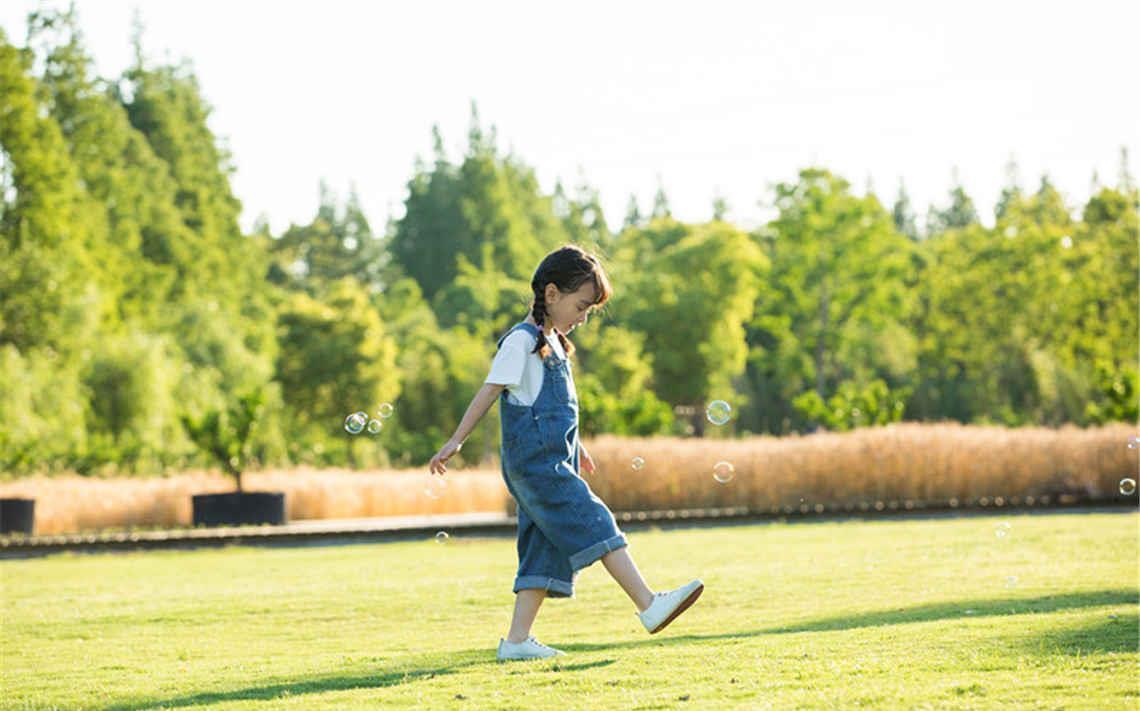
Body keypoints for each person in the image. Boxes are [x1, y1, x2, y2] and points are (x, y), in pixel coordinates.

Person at [429, 244, 703, 662]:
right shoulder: (520, 342)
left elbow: (551, 410)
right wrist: (456, 440)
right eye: (581, 306)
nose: (584, 317)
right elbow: (491, 391)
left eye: (590, 310)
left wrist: (579, 447)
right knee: (595, 518)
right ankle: (648, 604)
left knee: (540, 547)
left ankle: (517, 641)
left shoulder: (554, 344)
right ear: (551, 294)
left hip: (552, 460)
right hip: (537, 466)